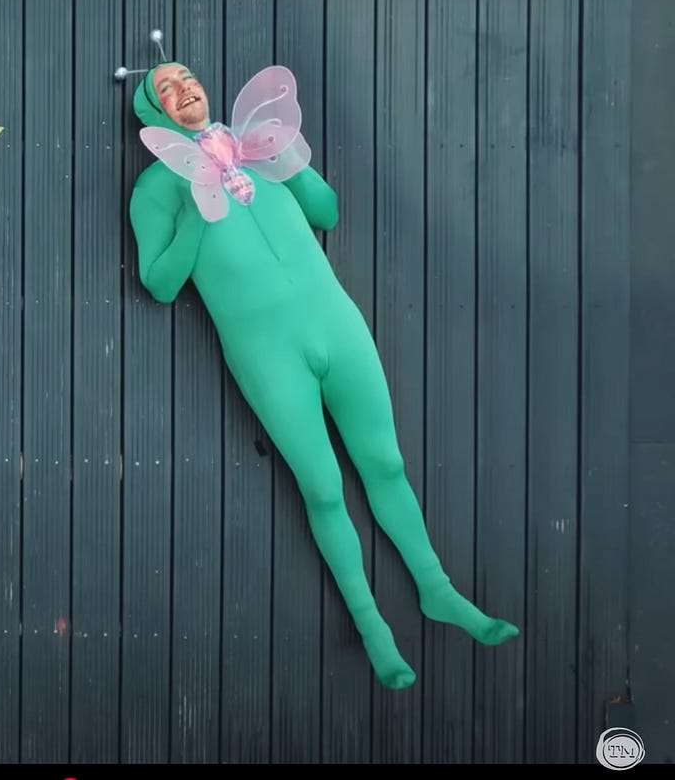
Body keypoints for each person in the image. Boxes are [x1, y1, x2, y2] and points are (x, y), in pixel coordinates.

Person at [122, 58, 518, 690]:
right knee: (325, 488)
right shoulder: (155, 189)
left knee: (386, 464)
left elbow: (328, 212)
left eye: (186, 76)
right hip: (266, 352)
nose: (183, 88)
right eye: (163, 88)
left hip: (336, 323)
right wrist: (200, 202)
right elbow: (160, 283)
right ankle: (372, 627)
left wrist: (289, 158)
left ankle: (438, 591)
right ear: (151, 112)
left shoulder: (259, 149)